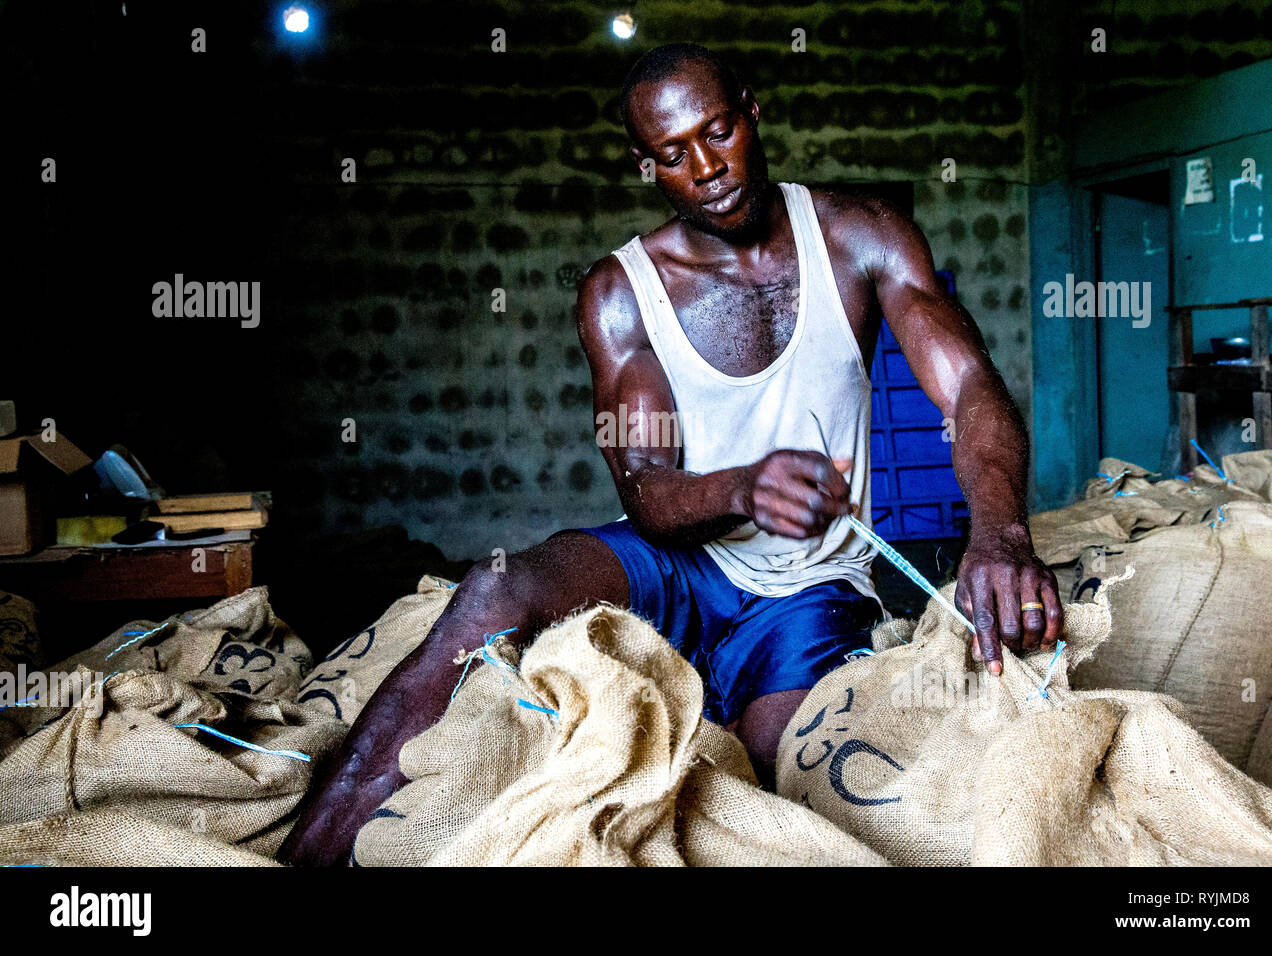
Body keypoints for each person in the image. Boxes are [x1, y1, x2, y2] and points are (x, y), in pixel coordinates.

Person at [278, 42, 1061, 866]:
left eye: (718, 132)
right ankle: (305, 853)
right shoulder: (623, 294)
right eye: (673, 154)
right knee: (496, 587)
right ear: (645, 165)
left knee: (778, 770)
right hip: (676, 560)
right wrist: (744, 489)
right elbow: (648, 492)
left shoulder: (861, 236)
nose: (707, 167)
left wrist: (1000, 533)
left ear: (751, 113)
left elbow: (972, 388)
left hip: (811, 582)